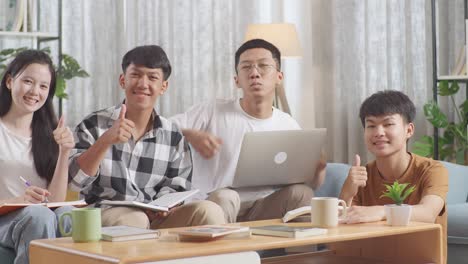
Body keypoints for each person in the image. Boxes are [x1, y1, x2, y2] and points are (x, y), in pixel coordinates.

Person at [69, 45, 225, 229]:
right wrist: (105, 140)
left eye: (152, 77)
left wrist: (163, 206)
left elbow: (177, 187)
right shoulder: (94, 124)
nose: (143, 84)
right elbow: (74, 182)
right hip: (103, 215)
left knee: (209, 211)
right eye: (135, 75)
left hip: (156, 218)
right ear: (122, 80)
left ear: (163, 86)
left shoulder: (173, 135)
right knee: (135, 219)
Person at [171, 39, 326, 223]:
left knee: (302, 193)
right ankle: (226, 249)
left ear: (279, 77)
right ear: (237, 80)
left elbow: (312, 185)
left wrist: (318, 170)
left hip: (262, 207)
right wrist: (190, 134)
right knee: (226, 196)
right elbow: (161, 128)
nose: (254, 73)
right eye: (246, 67)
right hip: (215, 204)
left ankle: (304, 252)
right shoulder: (212, 110)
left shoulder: (287, 123)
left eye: (263, 66)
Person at [339, 90, 448, 259]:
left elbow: (428, 212)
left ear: (409, 130)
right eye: (371, 125)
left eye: (388, 124)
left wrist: (382, 211)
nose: (378, 132)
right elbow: (341, 232)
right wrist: (347, 192)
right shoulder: (362, 175)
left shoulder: (432, 170)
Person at [0, 50, 74, 264]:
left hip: (36, 216)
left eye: (43, 86)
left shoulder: (50, 134)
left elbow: (57, 202)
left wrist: (64, 152)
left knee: (68, 214)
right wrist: (18, 201)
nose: (35, 91)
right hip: (6, 219)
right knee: (38, 216)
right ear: (10, 82)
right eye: (28, 81)